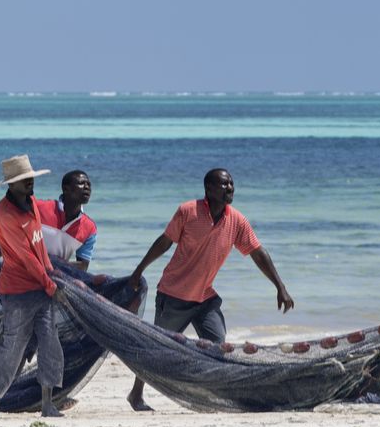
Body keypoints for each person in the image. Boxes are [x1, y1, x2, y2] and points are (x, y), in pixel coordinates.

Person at [125, 168, 294, 411]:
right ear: (209, 189)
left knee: (218, 346)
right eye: (224, 184)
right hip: (174, 295)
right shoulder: (188, 211)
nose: (230, 188)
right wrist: (138, 270)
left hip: (205, 297)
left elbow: (257, 252)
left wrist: (280, 286)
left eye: (231, 184)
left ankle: (214, 395)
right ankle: (136, 394)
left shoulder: (237, 220)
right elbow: (165, 242)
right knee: (157, 347)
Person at [0, 154, 65, 419]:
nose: (29, 182)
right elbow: (26, 257)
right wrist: (49, 284)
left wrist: (51, 274)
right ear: (11, 184)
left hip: (41, 287)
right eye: (23, 179)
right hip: (17, 292)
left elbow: (39, 247)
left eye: (30, 178)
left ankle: (47, 404)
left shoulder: (31, 203)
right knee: (14, 346)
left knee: (50, 343)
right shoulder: (5, 214)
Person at [0, 170, 98, 270]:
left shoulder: (89, 228)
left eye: (89, 184)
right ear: (65, 189)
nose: (87, 187)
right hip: (22, 271)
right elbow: (15, 239)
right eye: (81, 183)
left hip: (55, 276)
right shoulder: (40, 208)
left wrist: (52, 263)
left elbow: (83, 266)